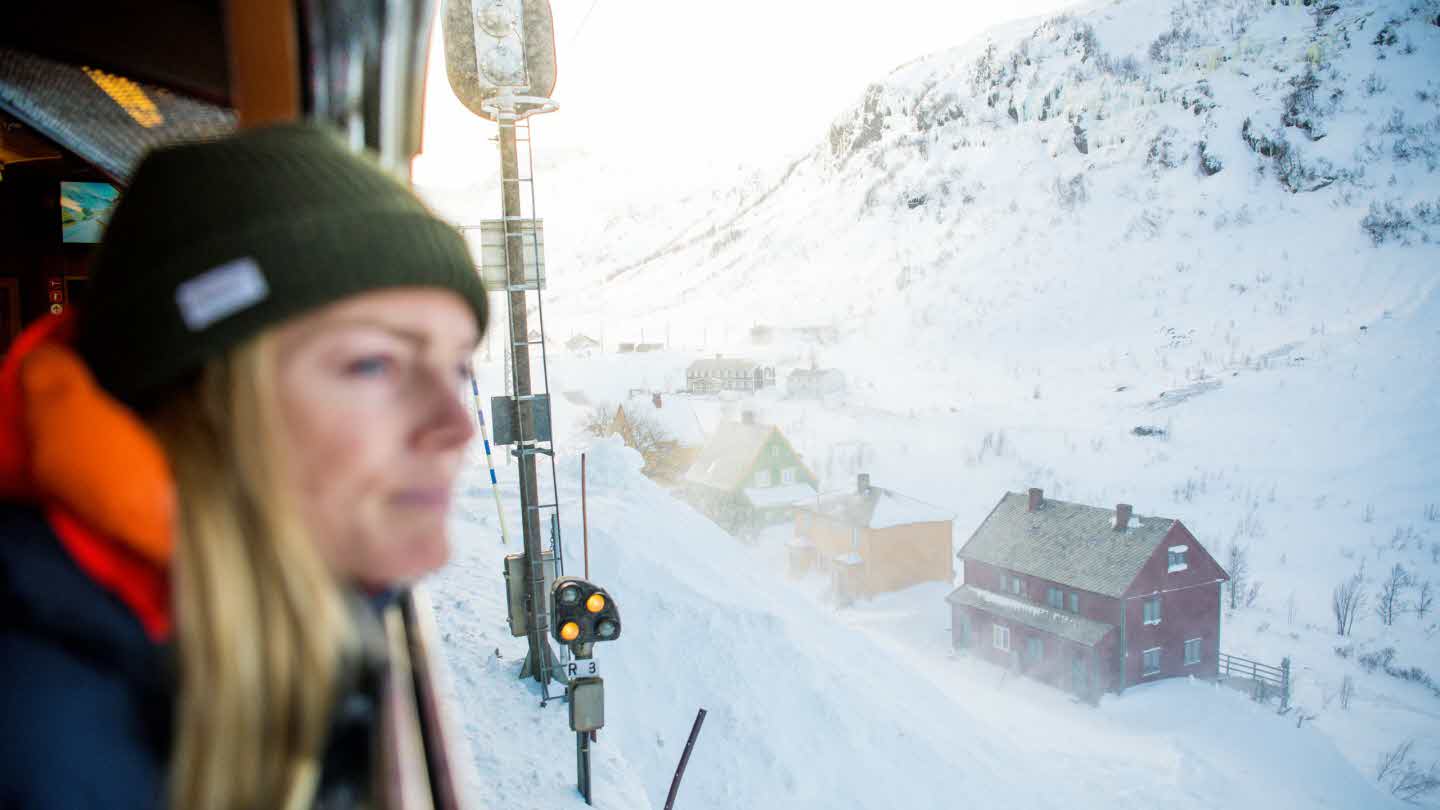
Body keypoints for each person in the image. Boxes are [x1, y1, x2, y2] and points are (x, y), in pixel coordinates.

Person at [0, 123, 487, 809]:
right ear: (203, 404)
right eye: (373, 363)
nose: (457, 427)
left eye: (459, 368)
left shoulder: (272, 617)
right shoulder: (41, 745)